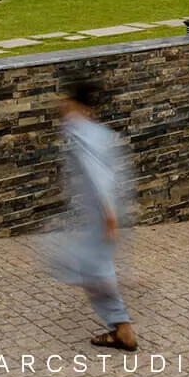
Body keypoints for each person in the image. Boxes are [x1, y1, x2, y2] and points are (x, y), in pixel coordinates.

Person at [47, 79, 138, 352]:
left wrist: (109, 213)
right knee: (92, 268)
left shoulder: (82, 135)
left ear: (75, 103)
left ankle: (123, 329)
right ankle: (120, 326)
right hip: (102, 213)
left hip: (102, 214)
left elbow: (99, 173)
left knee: (92, 270)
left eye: (65, 100)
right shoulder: (97, 132)